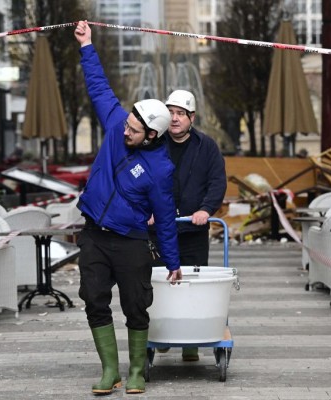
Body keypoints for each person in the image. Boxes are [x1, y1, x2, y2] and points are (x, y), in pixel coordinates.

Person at [74, 21, 182, 395]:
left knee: (136, 307)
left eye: (134, 131)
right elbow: (99, 86)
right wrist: (87, 45)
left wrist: (172, 262)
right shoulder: (118, 120)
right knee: (93, 300)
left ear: (153, 136)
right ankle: (110, 370)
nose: (125, 131)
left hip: (131, 241)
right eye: (127, 124)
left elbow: (165, 218)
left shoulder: (160, 169)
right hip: (94, 235)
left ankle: (136, 370)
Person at [150, 89, 227, 361]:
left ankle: (191, 343)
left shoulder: (206, 147)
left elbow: (217, 182)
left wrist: (206, 209)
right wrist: (148, 211)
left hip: (193, 231)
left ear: (191, 117)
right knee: (160, 282)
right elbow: (144, 179)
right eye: (170, 113)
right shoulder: (155, 144)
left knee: (193, 283)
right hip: (160, 230)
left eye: (180, 113)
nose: (174, 119)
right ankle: (161, 333)